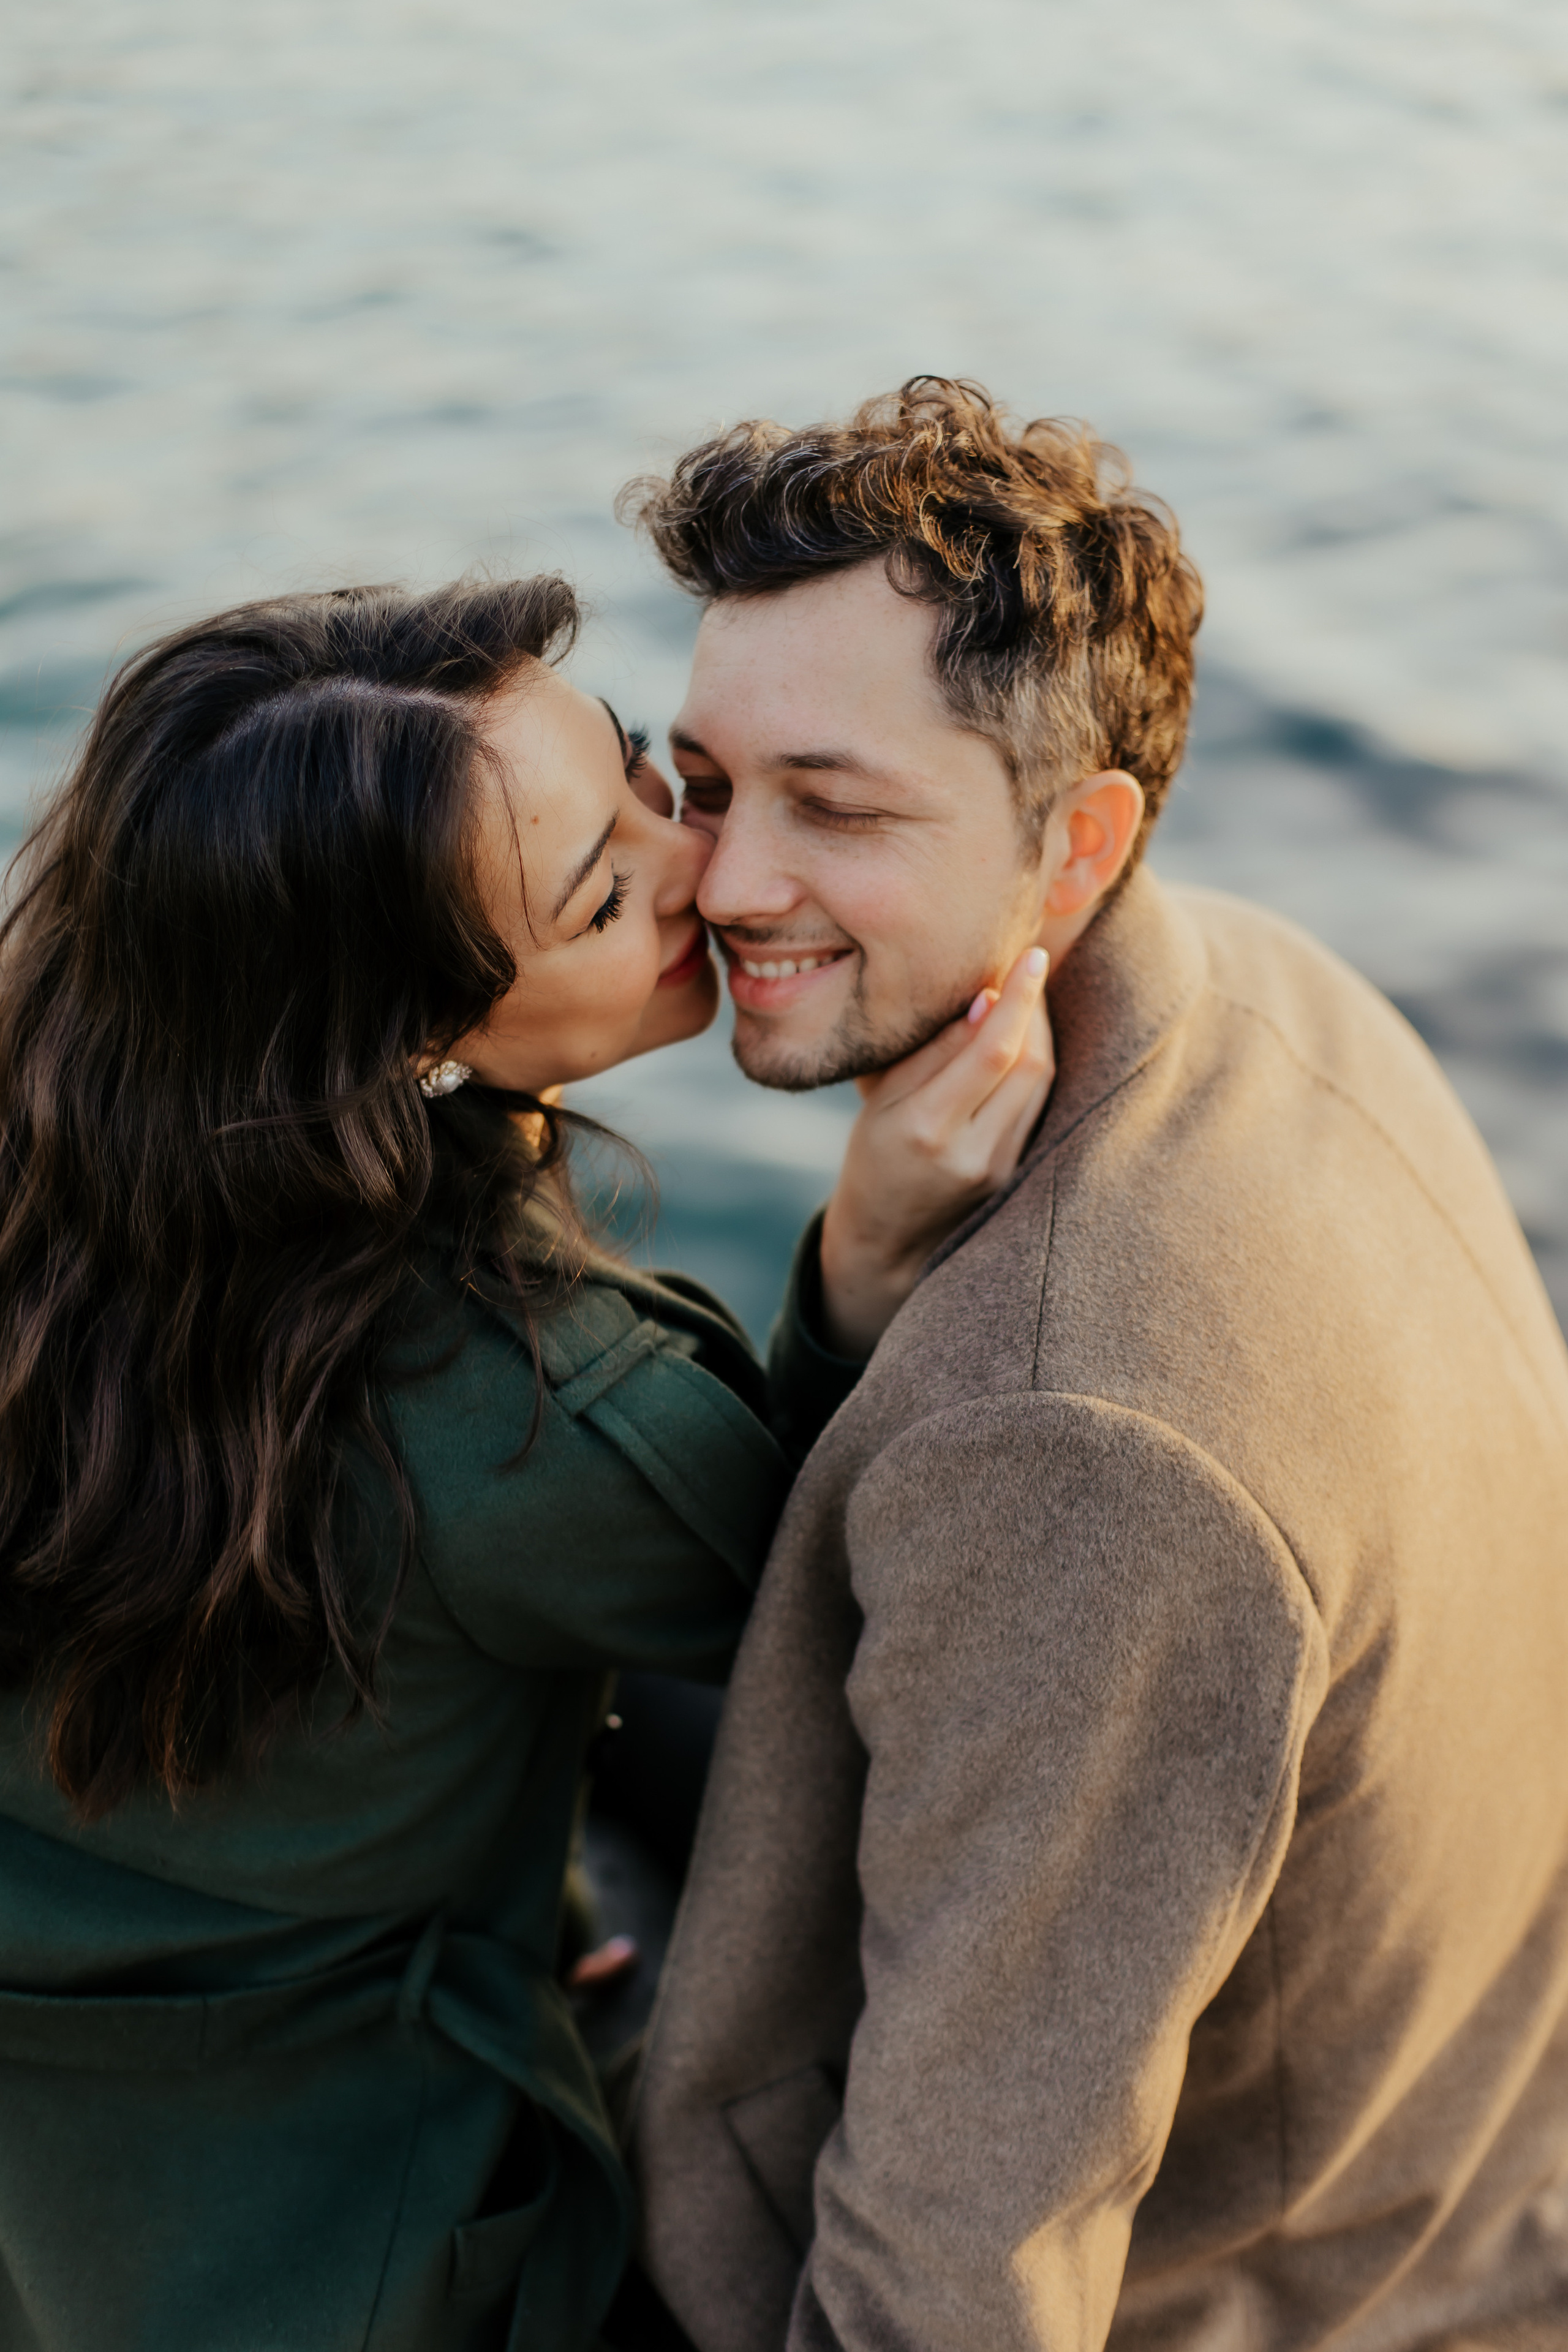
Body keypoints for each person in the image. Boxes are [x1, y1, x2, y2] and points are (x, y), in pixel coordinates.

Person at [0, 575, 1052, 2352]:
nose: (701, 865)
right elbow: (819, 1608)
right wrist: (854, 1281)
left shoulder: (90, 1141)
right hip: (321, 2245)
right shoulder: (554, 1421)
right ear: (407, 1048)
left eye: (644, 775)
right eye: (603, 895)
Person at [625, 380, 1568, 2352]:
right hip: (1458, 2156)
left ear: (1077, 848)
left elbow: (955, 2288)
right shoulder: (1268, 981)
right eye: (703, 780)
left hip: (1265, 2292)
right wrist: (865, 1274)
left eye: (839, 805)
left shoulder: (1076, 1447)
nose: (720, 883)